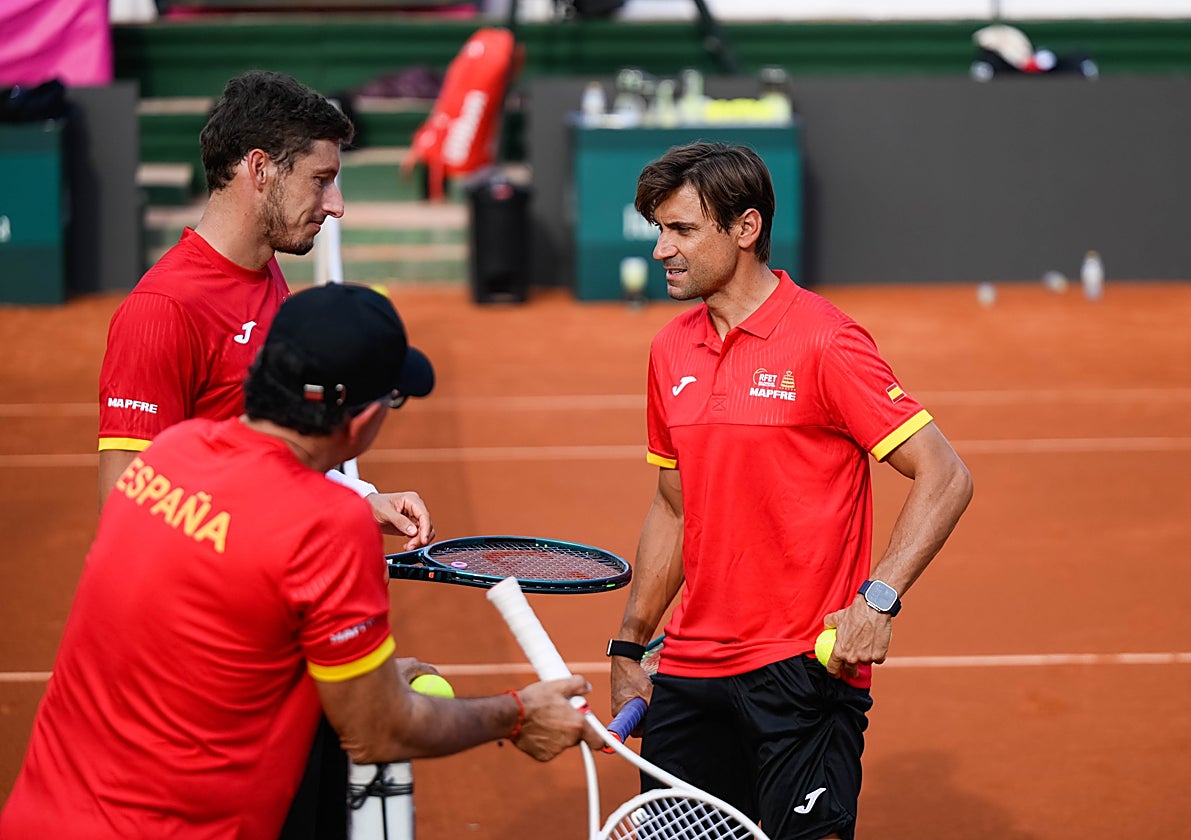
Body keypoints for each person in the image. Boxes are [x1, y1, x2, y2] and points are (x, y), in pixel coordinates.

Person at [0, 284, 603, 838]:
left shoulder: (167, 456)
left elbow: (216, 638)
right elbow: (378, 730)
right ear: (364, 418)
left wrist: (357, 674)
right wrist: (517, 715)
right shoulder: (329, 525)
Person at [606, 142, 974, 840]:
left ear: (745, 229)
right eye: (659, 229)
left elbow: (945, 473)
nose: (660, 250)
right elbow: (671, 504)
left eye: (681, 229)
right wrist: (629, 649)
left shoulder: (826, 341)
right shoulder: (669, 350)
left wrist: (879, 599)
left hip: (801, 671)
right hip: (688, 671)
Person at [95, 69, 429, 546]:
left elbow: (260, 454)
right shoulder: (162, 310)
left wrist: (354, 498)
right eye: (321, 180)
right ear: (260, 168)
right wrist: (289, 562)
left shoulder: (264, 269)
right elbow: (124, 515)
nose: (335, 205)